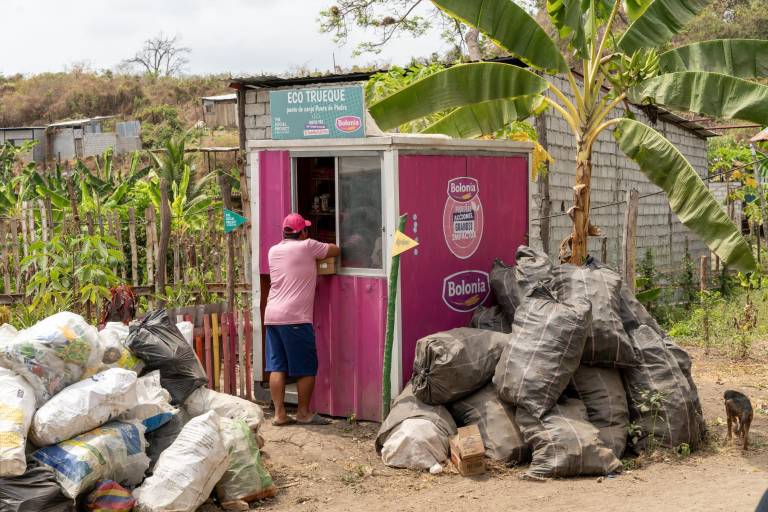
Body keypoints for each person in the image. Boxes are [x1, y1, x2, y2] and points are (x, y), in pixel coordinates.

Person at [264, 213, 340, 426]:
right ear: (303, 232)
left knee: (277, 366)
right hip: (295, 317)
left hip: (272, 316)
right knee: (306, 367)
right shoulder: (308, 246)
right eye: (306, 229)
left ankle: (279, 414)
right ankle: (304, 413)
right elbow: (335, 250)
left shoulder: (273, 251)